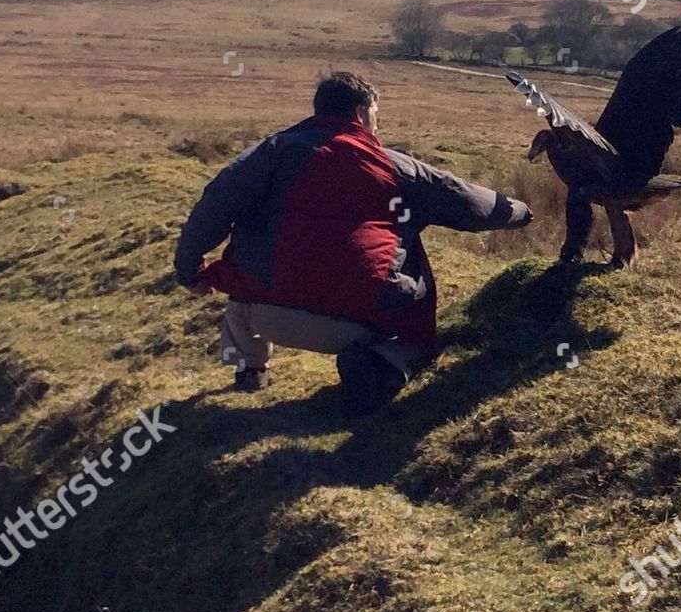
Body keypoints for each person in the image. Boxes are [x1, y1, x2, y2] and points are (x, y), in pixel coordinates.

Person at [175, 71, 533, 415]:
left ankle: (249, 371)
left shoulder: (270, 152)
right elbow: (472, 205)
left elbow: (215, 204)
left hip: (265, 311)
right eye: (375, 115)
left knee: (239, 283)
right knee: (415, 335)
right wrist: (521, 212)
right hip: (357, 322)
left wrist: (189, 270)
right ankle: (382, 366)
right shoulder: (395, 167)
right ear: (361, 114)